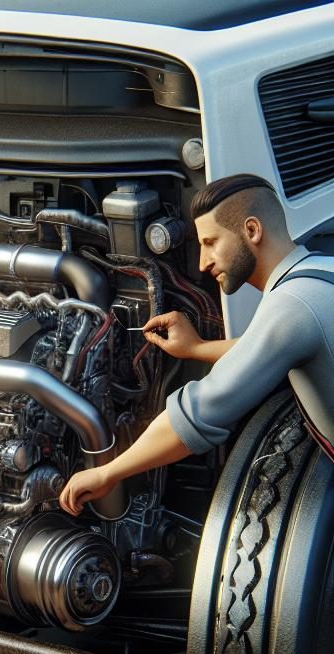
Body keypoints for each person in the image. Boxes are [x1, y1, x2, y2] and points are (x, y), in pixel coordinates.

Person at [59, 173, 334, 515]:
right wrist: (197, 348)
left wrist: (107, 472)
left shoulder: (292, 305)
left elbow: (199, 412)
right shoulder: (321, 271)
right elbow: (264, 348)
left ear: (252, 230)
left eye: (210, 242)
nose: (203, 263)